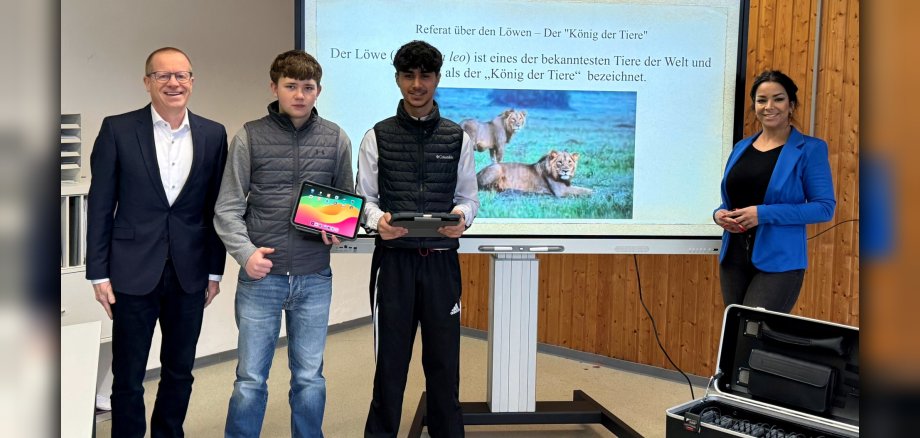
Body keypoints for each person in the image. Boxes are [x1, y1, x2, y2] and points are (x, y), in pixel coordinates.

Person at [86, 46, 228, 437]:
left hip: (191, 271)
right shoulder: (117, 129)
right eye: (163, 75)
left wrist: (215, 269)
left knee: (180, 370)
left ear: (192, 82)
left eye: (181, 75)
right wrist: (98, 273)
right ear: (147, 81)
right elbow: (100, 206)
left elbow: (216, 208)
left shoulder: (213, 134)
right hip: (131, 271)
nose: (173, 83)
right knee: (128, 374)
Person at [214, 50, 353, 438]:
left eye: (308, 87)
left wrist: (337, 230)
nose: (299, 95)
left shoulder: (336, 138)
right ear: (274, 87)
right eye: (291, 86)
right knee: (250, 379)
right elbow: (226, 208)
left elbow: (346, 202)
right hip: (262, 277)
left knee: (310, 377)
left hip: (314, 277)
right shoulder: (249, 136)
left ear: (318, 91)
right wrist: (246, 255)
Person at [356, 40, 479, 438]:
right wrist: (379, 222)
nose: (417, 84)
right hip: (394, 265)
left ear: (437, 79)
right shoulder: (377, 136)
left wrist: (461, 219)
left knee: (445, 368)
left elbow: (468, 198)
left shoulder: (457, 137)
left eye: (425, 75)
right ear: (398, 79)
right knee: (390, 368)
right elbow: (365, 200)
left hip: (442, 263)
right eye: (409, 76)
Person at [713, 70, 836, 313]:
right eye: (761, 100)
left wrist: (763, 214)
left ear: (791, 105)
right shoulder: (741, 147)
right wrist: (718, 215)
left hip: (780, 263)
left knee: (755, 336)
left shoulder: (810, 149)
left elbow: (824, 208)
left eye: (778, 99)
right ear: (754, 106)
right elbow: (730, 199)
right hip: (733, 259)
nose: (769, 106)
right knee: (735, 337)